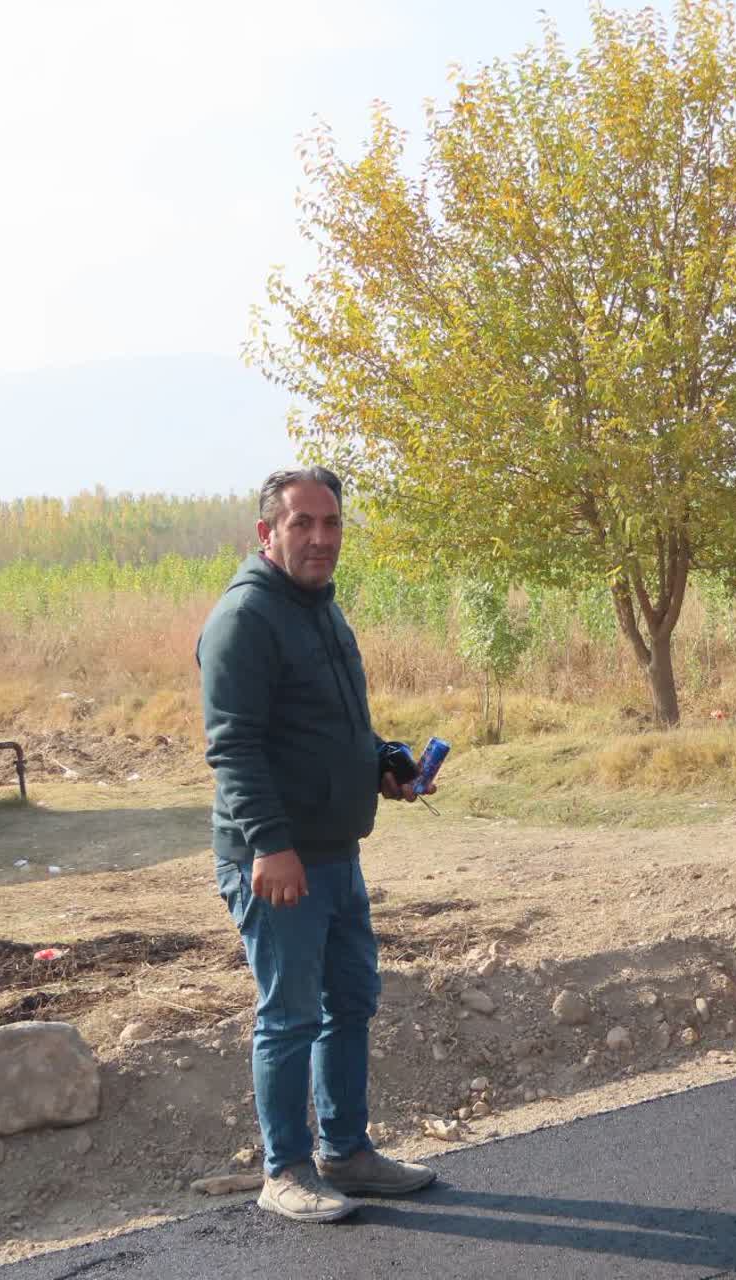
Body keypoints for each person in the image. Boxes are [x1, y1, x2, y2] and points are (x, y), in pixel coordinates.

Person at [198, 465, 437, 1223]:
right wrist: (270, 846)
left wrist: (382, 763)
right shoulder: (247, 618)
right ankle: (286, 1171)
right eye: (302, 523)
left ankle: (347, 1152)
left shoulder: (321, 611)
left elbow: (333, 723)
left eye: (330, 524)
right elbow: (233, 747)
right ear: (266, 533)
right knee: (290, 1014)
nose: (320, 538)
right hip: (278, 861)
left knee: (351, 1002)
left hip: (336, 851)